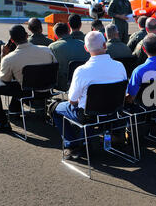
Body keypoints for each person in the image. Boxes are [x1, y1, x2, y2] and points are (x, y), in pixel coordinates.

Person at [53, 31, 127, 159]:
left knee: (55, 108)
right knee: (88, 108)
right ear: (105, 45)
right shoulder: (119, 66)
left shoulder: (81, 70)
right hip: (114, 113)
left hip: (89, 116)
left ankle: (72, 144)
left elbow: (72, 100)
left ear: (86, 48)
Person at [0, 25, 56, 132]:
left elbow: (4, 79)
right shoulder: (46, 50)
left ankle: (1, 122)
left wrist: (3, 55)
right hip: (47, 89)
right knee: (21, 81)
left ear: (12, 40)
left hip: (26, 92)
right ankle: (14, 109)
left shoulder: (9, 58)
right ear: (27, 35)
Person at [48, 23, 90, 91]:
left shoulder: (52, 47)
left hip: (63, 84)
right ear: (69, 31)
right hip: (84, 82)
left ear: (55, 35)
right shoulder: (82, 44)